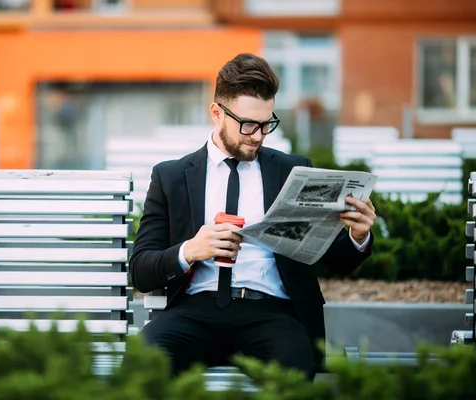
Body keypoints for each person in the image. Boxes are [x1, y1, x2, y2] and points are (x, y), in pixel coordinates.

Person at [129, 53, 376, 380]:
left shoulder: (292, 170)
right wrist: (191, 250)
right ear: (217, 114)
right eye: (248, 124)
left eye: (266, 124)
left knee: (295, 369)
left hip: (271, 313)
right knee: (142, 365)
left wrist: (358, 237)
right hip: (194, 310)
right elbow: (141, 271)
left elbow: (336, 260)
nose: (258, 135)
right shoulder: (171, 176)